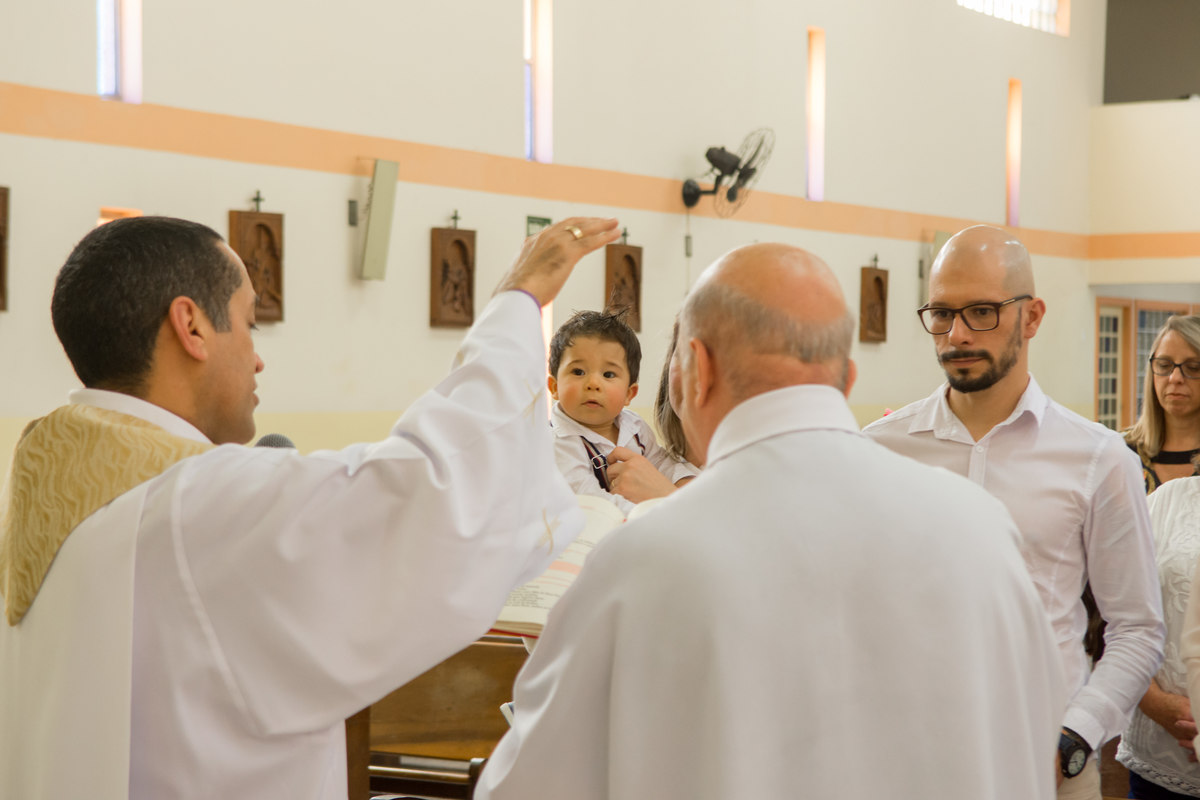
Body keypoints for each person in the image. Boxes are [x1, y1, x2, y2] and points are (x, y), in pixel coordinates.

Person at [0, 214, 621, 800]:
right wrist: (516, 306)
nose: (258, 356)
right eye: (248, 324)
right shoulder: (197, 507)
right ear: (190, 327)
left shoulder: (62, 485)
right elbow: (439, 490)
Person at [476, 242, 1066, 800]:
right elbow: (1035, 734)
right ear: (846, 379)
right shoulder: (981, 529)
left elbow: (529, 786)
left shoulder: (644, 557)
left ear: (694, 371)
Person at [864, 224, 1165, 800]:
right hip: (908, 756)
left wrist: (1075, 735)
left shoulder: (1098, 459)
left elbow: (1137, 629)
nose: (956, 334)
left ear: (1032, 317)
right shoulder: (879, 447)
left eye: (981, 311)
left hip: (1045, 762)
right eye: (942, 313)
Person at [1116, 315, 1200, 798]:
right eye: (1165, 365)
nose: (1175, 380)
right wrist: (1148, 700)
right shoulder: (1119, 456)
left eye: (1191, 368)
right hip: (1142, 693)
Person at [547, 308, 695, 513]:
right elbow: (587, 498)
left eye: (608, 374)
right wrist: (650, 509)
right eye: (578, 372)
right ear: (554, 387)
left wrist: (686, 481)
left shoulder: (634, 427)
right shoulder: (557, 442)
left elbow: (660, 463)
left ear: (629, 394)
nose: (593, 383)